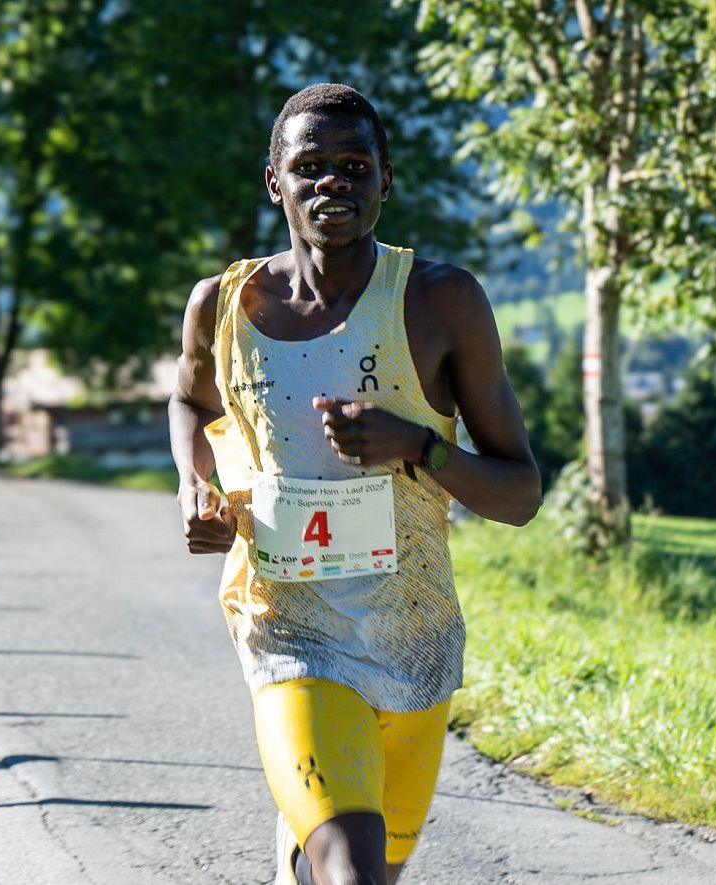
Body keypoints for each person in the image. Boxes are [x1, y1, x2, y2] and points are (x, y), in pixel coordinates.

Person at [170, 82, 541, 885]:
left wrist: (418, 447)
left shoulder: (442, 303)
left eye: (353, 164)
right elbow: (190, 401)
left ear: (386, 180)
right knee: (354, 875)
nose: (331, 181)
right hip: (288, 630)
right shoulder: (225, 305)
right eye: (309, 166)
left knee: (365, 866)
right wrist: (194, 487)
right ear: (275, 182)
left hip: (414, 640)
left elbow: (520, 494)